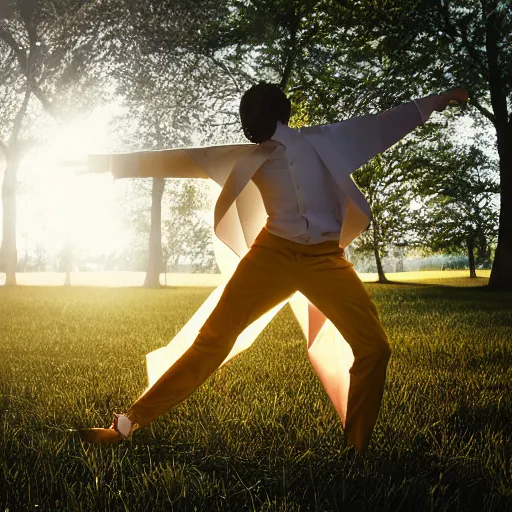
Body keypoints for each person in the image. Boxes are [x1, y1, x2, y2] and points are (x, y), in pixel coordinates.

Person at [79, 83, 468, 451]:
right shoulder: (249, 156)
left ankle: (357, 450)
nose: (243, 123)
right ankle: (126, 425)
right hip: (271, 256)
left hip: (324, 260)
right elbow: (182, 159)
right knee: (212, 340)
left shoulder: (328, 141)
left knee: (375, 348)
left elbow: (385, 124)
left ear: (274, 111)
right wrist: (105, 163)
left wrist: (439, 100)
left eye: (249, 112)